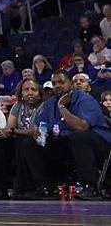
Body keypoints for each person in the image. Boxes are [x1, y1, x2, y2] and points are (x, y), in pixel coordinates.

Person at [21, 70, 111, 199]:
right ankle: (45, 187)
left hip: (97, 143)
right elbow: (39, 126)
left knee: (78, 136)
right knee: (31, 142)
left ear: (71, 83)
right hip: (67, 143)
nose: (57, 85)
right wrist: (39, 133)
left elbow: (81, 127)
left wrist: (62, 107)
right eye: (54, 83)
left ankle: (89, 186)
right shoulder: (50, 103)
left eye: (61, 82)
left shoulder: (85, 99)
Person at [0, 78, 43, 200]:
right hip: (19, 139)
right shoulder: (18, 106)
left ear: (39, 93)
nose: (30, 92)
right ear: (21, 93)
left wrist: (12, 131)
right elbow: (9, 127)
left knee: (24, 141)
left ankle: (25, 188)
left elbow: (35, 131)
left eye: (34, 89)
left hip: (38, 142)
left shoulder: (43, 106)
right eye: (26, 90)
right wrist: (3, 132)